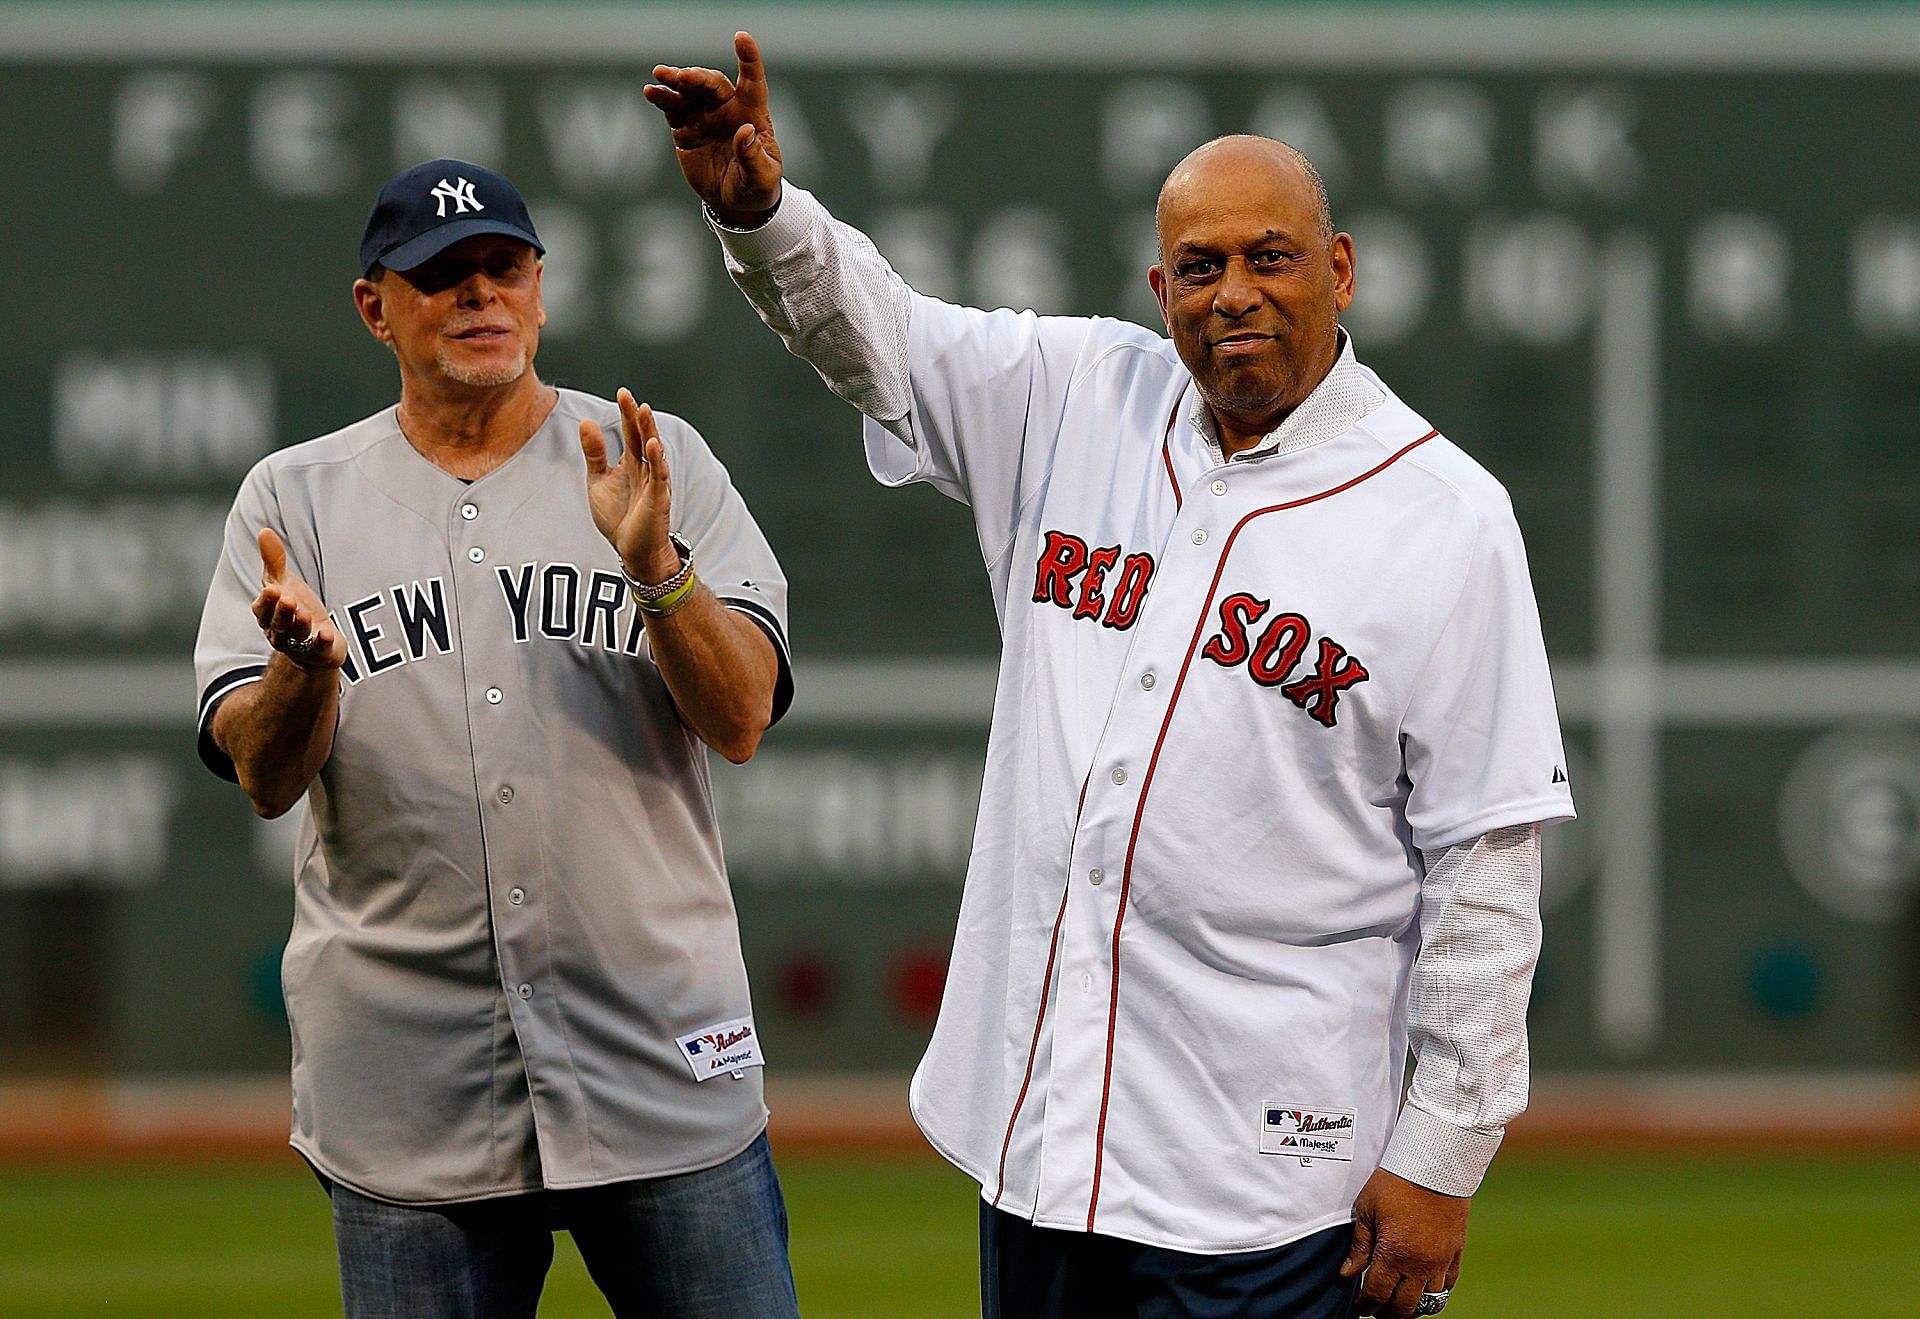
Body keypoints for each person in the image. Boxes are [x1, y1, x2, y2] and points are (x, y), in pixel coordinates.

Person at [646, 34, 1576, 1319]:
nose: (1234, 290)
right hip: (1044, 1142)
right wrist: (755, 210)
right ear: (1160, 285)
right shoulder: (1081, 395)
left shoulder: (1448, 515)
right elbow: (875, 335)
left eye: (1270, 256)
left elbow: (1487, 871)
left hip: (1270, 1178)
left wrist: (1443, 1155)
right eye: (1201, 265)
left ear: (1341, 271)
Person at [191, 157, 800, 1318]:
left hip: (659, 1053)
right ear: (377, 306)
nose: (480, 295)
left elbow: (743, 717)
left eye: (502, 267)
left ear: (539, 287)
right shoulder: (295, 499)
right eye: (442, 274)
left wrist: (657, 570)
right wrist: (305, 672)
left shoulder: (648, 457)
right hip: (410, 1086)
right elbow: (266, 777)